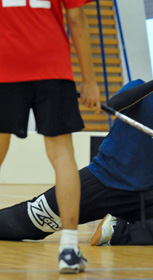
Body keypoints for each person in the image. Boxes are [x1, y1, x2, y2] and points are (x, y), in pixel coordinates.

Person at [0, 58, 153, 256]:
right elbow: (115, 105)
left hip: (141, 197)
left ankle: (116, 230)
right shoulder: (141, 90)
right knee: (19, 225)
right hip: (99, 182)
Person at [0, 0, 101, 274]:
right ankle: (68, 249)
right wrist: (89, 80)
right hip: (52, 67)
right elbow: (77, 19)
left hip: (5, 67)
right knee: (62, 155)